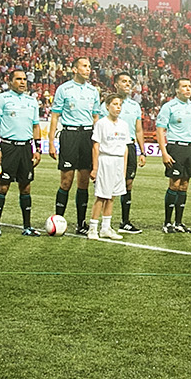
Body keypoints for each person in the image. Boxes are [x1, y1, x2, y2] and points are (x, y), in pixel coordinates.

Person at [0, 66, 44, 237]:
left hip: (26, 148)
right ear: (10, 81)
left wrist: (38, 149)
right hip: (8, 148)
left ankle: (27, 227)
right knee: (3, 186)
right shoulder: (1, 99)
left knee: (25, 187)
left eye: (24, 79)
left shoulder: (32, 101)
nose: (22, 82)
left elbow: (36, 126)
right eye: (18, 79)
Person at [49, 57, 104, 234]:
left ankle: (81, 224)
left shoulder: (93, 91)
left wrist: (97, 140)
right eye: (84, 66)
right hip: (69, 135)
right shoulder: (64, 89)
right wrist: (51, 142)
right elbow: (55, 116)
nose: (88, 69)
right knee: (66, 181)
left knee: (83, 182)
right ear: (74, 69)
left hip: (87, 135)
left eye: (89, 66)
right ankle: (58, 220)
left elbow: (96, 117)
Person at [155, 76, 191, 234]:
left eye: (189, 86)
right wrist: (164, 152)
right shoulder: (169, 107)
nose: (188, 89)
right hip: (175, 147)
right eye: (184, 86)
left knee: (184, 185)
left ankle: (178, 222)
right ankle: (167, 223)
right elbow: (160, 130)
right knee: (174, 184)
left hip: (190, 149)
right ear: (176, 90)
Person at [88, 92, 134, 241]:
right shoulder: (101, 124)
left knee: (112, 196)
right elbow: (96, 146)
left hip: (118, 161)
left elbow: (125, 148)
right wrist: (95, 168)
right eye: (115, 104)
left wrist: (124, 169)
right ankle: (92, 228)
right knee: (101, 196)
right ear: (107, 106)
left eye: (120, 105)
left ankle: (105, 228)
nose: (118, 107)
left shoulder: (124, 125)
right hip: (105, 160)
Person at [113, 72, 145, 234]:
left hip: (130, 146)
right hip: (113, 146)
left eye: (129, 82)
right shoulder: (109, 104)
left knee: (128, 183)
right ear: (116, 85)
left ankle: (125, 222)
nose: (127, 84)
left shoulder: (135, 106)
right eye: (124, 81)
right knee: (110, 184)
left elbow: (138, 130)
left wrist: (142, 152)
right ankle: (104, 221)